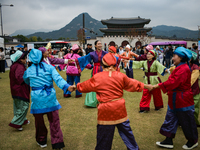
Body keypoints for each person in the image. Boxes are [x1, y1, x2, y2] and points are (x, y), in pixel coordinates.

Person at [76, 52, 153, 150]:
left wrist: (75, 87)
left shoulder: (98, 77)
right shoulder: (121, 76)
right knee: (127, 133)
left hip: (105, 111)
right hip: (119, 109)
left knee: (103, 138)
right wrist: (147, 86)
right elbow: (133, 83)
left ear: (102, 65)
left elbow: (84, 86)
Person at [23, 49, 75, 149]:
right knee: (54, 121)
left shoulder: (28, 70)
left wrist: (34, 85)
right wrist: (67, 87)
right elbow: (58, 79)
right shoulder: (49, 68)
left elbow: (26, 80)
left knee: (39, 122)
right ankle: (57, 143)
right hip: (50, 97)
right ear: (42, 56)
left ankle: (41, 140)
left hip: (37, 98)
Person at [153, 47, 198, 149]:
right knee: (170, 118)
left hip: (183, 100)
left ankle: (193, 141)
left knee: (187, 121)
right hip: (175, 98)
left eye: (174, 56)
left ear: (181, 58)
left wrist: (158, 86)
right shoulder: (180, 67)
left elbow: (173, 82)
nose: (172, 58)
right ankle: (168, 140)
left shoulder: (183, 69)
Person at [9, 50, 30, 131]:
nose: (26, 60)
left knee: (18, 106)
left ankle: (23, 120)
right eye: (25, 58)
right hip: (20, 90)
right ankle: (16, 122)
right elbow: (20, 78)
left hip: (15, 89)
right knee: (24, 106)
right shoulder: (19, 66)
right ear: (21, 59)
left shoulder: (14, 65)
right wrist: (29, 76)